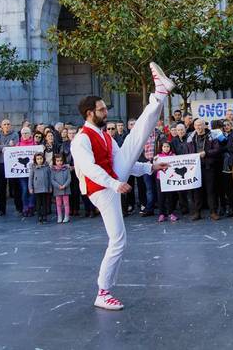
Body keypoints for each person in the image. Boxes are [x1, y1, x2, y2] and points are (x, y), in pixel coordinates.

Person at [70, 62, 171, 311]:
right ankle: (102, 292)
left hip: (111, 183)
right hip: (101, 190)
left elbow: (124, 162)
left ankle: (159, 94)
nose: (107, 112)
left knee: (135, 138)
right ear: (89, 113)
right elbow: (90, 169)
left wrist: (150, 168)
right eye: (102, 109)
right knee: (118, 241)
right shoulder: (81, 139)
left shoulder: (105, 135)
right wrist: (115, 184)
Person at [188, 118, 221, 221]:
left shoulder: (212, 136)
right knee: (197, 191)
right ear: (194, 126)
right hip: (195, 168)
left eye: (200, 125)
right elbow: (187, 151)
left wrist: (206, 153)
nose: (198, 127)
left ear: (204, 126)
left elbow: (217, 150)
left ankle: (213, 212)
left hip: (208, 167)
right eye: (196, 125)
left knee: (211, 191)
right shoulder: (191, 137)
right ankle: (197, 212)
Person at [0, 119, 16, 216]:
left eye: (8, 124)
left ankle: (19, 207)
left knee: (15, 186)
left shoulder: (15, 134)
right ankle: (1, 209)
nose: (6, 126)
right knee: (2, 187)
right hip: (1, 163)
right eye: (4, 124)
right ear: (1, 126)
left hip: (12, 163)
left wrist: (2, 146)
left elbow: (15, 146)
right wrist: (7, 146)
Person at [155, 141, 178, 223]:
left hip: (170, 179)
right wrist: (155, 160)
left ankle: (171, 213)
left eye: (167, 146)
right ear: (161, 148)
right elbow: (154, 166)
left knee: (170, 196)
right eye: (164, 147)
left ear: (170, 147)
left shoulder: (173, 156)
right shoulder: (158, 156)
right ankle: (162, 214)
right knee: (161, 196)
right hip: (160, 179)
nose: (166, 148)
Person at [29, 152, 52, 224]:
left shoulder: (46, 167)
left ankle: (45, 216)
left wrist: (50, 187)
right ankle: (39, 216)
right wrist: (30, 187)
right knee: (38, 203)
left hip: (45, 187)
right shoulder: (33, 168)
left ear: (43, 159)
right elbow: (31, 178)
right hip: (37, 188)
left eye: (41, 159)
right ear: (35, 160)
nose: (39, 160)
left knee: (45, 203)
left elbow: (49, 177)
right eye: (38, 159)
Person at [50, 153, 72, 224]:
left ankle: (66, 216)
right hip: (57, 189)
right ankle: (59, 216)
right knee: (58, 204)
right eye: (57, 161)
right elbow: (52, 179)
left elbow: (69, 178)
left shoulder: (66, 169)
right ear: (55, 161)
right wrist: (58, 186)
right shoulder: (53, 170)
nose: (59, 162)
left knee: (66, 203)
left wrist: (64, 185)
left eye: (60, 160)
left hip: (65, 189)